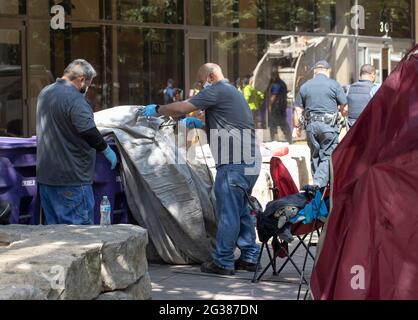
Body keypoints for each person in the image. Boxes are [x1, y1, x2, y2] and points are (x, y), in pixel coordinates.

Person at [142, 63, 261, 275]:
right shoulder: (232, 92)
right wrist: (201, 126)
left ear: (212, 76)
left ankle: (223, 261)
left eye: (200, 81)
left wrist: (158, 110)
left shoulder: (217, 90)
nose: (199, 86)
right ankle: (250, 257)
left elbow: (182, 107)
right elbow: (227, 124)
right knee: (241, 209)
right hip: (250, 161)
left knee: (227, 212)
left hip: (235, 163)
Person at [36, 59, 118, 225]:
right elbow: (88, 130)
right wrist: (106, 150)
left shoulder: (45, 92)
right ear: (82, 80)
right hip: (72, 181)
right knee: (80, 239)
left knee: (54, 237)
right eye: (89, 83)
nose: (88, 88)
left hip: (46, 179)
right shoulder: (75, 99)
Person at [294, 60, 347, 188]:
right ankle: (318, 184)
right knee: (328, 155)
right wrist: (343, 117)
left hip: (311, 127)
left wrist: (297, 128)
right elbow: (344, 108)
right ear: (328, 71)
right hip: (328, 127)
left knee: (315, 156)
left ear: (315, 71)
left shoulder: (305, 86)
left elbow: (298, 110)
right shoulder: (334, 85)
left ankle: (317, 191)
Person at [343, 64, 380, 128]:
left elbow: (344, 109)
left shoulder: (349, 88)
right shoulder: (375, 88)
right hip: (369, 128)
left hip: (352, 128)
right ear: (373, 75)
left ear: (360, 75)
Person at [269, 71, 292, 143]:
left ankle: (273, 138)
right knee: (282, 121)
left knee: (274, 122)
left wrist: (270, 105)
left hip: (276, 106)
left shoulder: (276, 84)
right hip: (282, 105)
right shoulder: (282, 83)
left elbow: (274, 96)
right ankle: (288, 137)